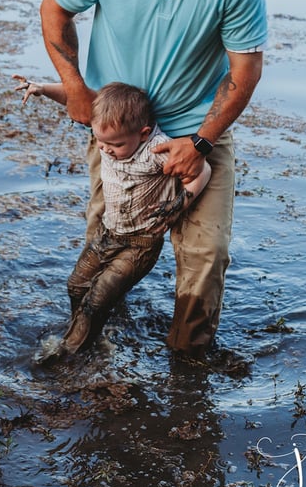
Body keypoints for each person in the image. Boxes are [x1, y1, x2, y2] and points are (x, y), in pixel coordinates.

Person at [38, 0, 267, 358]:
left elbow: (243, 73)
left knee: (206, 256)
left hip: (198, 130)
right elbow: (55, 10)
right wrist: (74, 86)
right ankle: (96, 340)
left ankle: (188, 365)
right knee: (105, 243)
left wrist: (200, 143)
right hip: (121, 132)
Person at [14, 78, 210, 352]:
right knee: (76, 285)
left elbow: (203, 171)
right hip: (108, 233)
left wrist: (180, 203)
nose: (105, 149)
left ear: (142, 134)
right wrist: (43, 89)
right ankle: (87, 331)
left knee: (98, 298)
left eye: (114, 145)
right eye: (100, 141)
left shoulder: (156, 150)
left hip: (141, 244)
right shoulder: (108, 132)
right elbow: (77, 98)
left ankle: (70, 351)